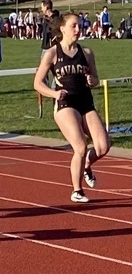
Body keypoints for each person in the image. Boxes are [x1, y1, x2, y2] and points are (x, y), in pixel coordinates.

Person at [33, 13, 110, 203]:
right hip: (65, 102)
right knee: (80, 146)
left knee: (103, 146)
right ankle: (77, 190)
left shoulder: (87, 53)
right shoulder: (52, 53)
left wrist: (92, 80)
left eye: (79, 26)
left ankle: (86, 165)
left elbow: (95, 79)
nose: (78, 29)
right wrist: (54, 94)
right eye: (73, 26)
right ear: (63, 29)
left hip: (85, 101)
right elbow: (37, 83)